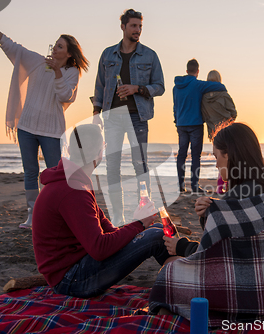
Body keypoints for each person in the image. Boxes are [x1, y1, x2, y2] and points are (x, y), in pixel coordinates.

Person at [149, 123, 264, 326]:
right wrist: (212, 212)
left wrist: (181, 246)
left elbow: (213, 256)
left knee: (168, 271)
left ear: (228, 155)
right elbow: (236, 246)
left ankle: (169, 319)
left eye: (216, 156)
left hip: (258, 297)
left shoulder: (237, 197)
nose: (217, 164)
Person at [32, 124, 176, 298]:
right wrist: (139, 224)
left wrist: (138, 224)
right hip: (71, 281)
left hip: (75, 269)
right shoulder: (72, 189)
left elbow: (109, 232)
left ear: (69, 149)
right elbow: (99, 248)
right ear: (100, 152)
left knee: (158, 230)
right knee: (154, 236)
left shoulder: (76, 180)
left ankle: (179, 279)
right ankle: (183, 281)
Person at [0, 12, 88, 229]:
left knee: (55, 174)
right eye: (55, 45)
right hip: (27, 127)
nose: (55, 49)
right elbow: (10, 46)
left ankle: (58, 214)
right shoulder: (37, 62)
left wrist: (57, 72)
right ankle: (33, 214)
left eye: (60, 46)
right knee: (30, 171)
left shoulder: (71, 72)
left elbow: (66, 96)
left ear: (68, 53)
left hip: (52, 131)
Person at [92, 9, 165, 226]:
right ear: (123, 27)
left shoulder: (150, 55)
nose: (138, 30)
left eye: (140, 26)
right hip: (112, 117)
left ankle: (146, 211)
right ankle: (117, 216)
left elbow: (159, 86)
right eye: (133, 26)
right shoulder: (107, 54)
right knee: (112, 165)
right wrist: (96, 114)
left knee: (140, 164)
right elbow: (100, 86)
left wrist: (137, 88)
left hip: (137, 117)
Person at [173, 59, 226, 194]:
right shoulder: (198, 85)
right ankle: (195, 185)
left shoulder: (176, 87)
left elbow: (175, 106)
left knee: (182, 154)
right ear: (197, 71)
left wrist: (176, 120)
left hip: (181, 124)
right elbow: (220, 87)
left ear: (186, 71)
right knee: (196, 156)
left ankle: (180, 184)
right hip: (195, 124)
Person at [201, 70, 237, 194]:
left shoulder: (203, 96)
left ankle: (220, 187)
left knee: (219, 160)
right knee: (229, 159)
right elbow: (234, 112)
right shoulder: (223, 94)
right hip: (226, 131)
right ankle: (226, 186)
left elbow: (203, 115)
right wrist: (229, 121)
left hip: (213, 132)